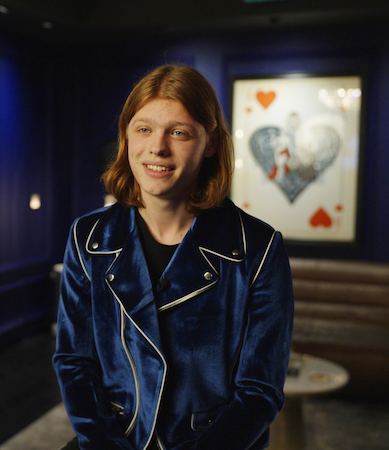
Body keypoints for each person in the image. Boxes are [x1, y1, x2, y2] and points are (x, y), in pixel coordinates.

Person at [53, 64, 294, 450]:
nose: (158, 147)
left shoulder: (259, 247)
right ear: (126, 136)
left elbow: (259, 391)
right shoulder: (88, 237)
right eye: (144, 128)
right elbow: (74, 361)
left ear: (210, 143)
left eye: (179, 132)